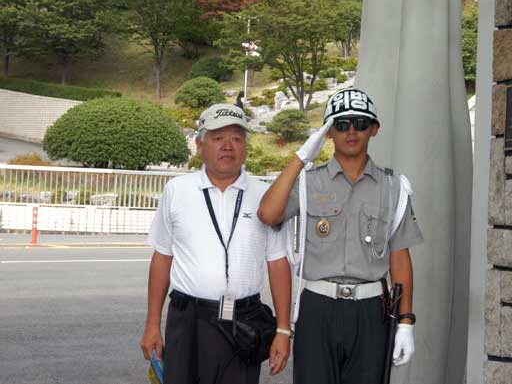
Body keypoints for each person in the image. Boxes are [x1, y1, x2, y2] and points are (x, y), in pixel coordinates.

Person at [257, 88, 423, 384]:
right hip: (318, 309)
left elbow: (400, 257)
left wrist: (406, 322)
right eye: (341, 123)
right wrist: (300, 157)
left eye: (360, 123)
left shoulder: (393, 186)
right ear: (329, 132)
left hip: (372, 311)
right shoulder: (309, 182)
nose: (351, 131)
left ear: (374, 129)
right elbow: (268, 214)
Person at [139, 103, 292, 384]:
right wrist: (152, 324)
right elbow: (162, 257)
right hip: (187, 319)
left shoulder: (266, 197)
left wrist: (283, 330)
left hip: (243, 321)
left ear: (246, 147)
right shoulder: (177, 191)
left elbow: (278, 261)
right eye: (218, 138)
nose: (228, 146)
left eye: (236, 138)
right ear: (200, 145)